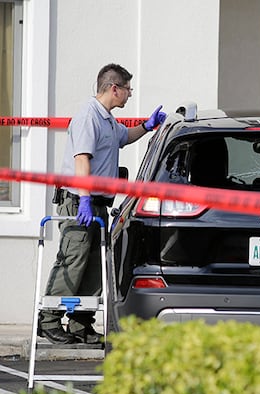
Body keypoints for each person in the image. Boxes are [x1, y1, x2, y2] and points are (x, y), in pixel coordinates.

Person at [38, 63, 166, 344]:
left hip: (98, 203)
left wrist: (146, 127)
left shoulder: (107, 119)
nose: (130, 95)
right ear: (114, 88)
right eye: (128, 89)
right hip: (80, 201)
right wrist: (84, 199)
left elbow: (123, 137)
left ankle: (79, 323)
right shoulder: (88, 116)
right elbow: (81, 159)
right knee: (74, 260)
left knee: (95, 264)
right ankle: (48, 320)